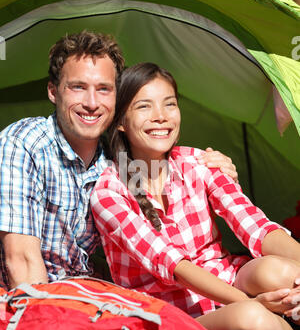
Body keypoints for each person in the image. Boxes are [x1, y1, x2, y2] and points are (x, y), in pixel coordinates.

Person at [90, 62, 300, 330]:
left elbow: (253, 224)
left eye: (170, 104)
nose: (160, 117)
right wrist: (250, 303)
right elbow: (175, 267)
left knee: (282, 271)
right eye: (144, 107)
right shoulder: (108, 192)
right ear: (121, 120)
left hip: (226, 277)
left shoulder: (199, 162)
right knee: (251, 321)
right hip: (171, 313)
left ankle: (281, 319)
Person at [0, 31, 237, 289]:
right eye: (78, 87)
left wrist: (213, 167)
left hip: (88, 296)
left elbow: (156, 242)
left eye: (104, 89)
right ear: (53, 92)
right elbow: (21, 262)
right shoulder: (24, 144)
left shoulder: (117, 161)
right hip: (30, 303)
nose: (92, 103)